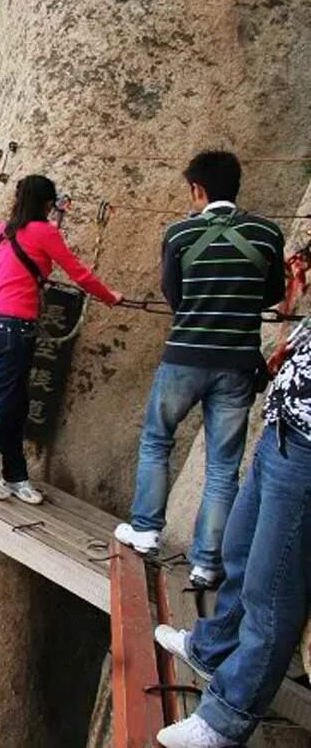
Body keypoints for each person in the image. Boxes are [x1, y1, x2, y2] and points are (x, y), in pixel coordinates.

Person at [114, 151, 285, 589]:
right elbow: (272, 295)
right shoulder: (267, 234)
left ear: (198, 189)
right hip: (236, 363)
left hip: (184, 357)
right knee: (222, 466)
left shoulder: (180, 234)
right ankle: (207, 562)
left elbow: (175, 295)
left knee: (157, 440)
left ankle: (146, 530)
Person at [152, 317, 311, 748]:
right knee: (238, 552)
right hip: (284, 429)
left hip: (306, 451)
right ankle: (213, 646)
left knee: (271, 592)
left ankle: (227, 718)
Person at [0, 175, 122, 501]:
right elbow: (78, 273)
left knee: (17, 402)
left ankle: (15, 475)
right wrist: (110, 296)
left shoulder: (2, 230)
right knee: (8, 401)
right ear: (47, 203)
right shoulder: (45, 232)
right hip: (17, 327)